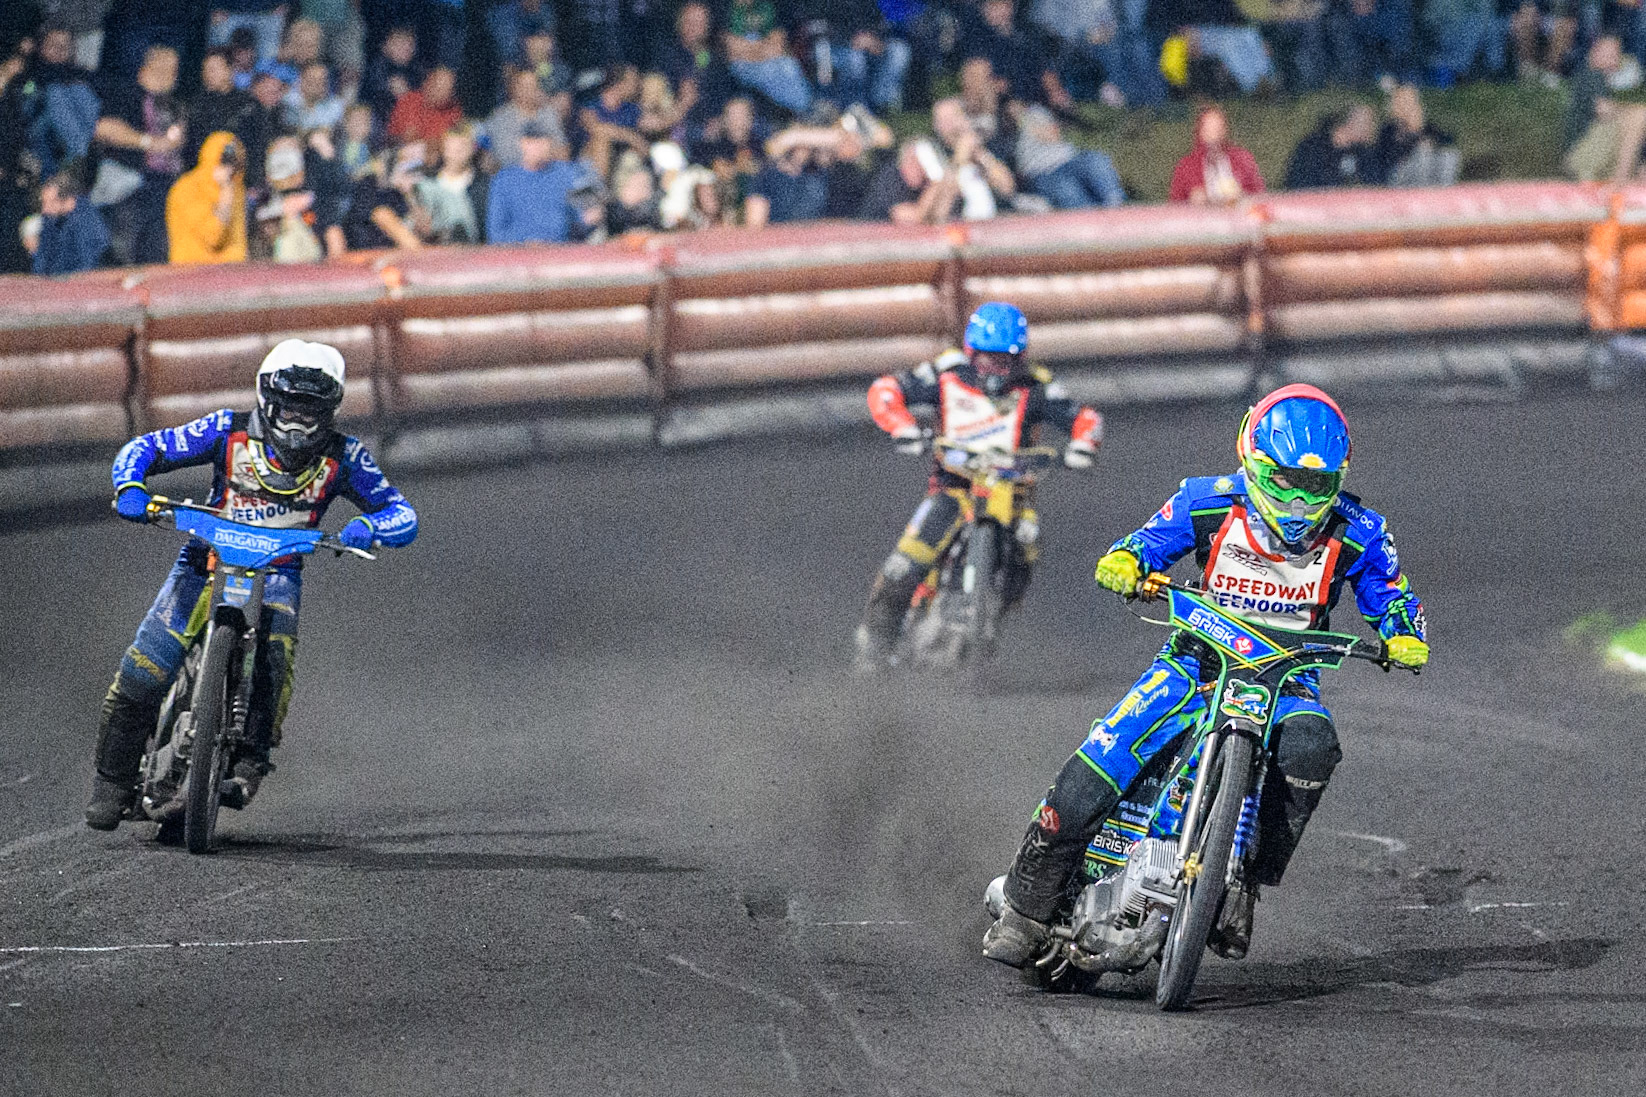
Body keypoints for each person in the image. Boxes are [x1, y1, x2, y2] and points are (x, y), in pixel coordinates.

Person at [981, 384, 1429, 969]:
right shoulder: (1206, 501)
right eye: (1285, 479)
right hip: (1193, 663)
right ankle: (1025, 906)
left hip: (1288, 679)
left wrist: (1403, 633)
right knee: (1095, 769)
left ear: (1339, 478)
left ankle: (1243, 881)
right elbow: (1140, 546)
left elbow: (1391, 594)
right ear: (1253, 461)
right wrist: (1126, 564)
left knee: (1313, 746)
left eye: (1315, 485)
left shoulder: (1363, 531)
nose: (1297, 501)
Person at [84, 340, 419, 831]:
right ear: (267, 399)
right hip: (206, 559)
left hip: (278, 571)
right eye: (289, 408)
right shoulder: (226, 430)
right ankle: (111, 783)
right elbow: (148, 447)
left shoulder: (347, 456)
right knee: (144, 667)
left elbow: (402, 513)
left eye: (312, 411)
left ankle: (250, 760)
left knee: (275, 660)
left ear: (331, 410)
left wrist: (370, 527)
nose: (299, 423)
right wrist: (131, 487)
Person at [855, 302, 1103, 670]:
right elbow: (886, 389)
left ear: (1020, 359)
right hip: (952, 488)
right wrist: (902, 426)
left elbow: (1085, 418)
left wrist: (1083, 445)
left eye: (1006, 361)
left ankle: (989, 620)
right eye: (988, 360)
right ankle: (872, 652)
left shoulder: (1037, 384)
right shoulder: (946, 371)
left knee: (1027, 549)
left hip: (1012, 494)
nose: (996, 370)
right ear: (972, 354)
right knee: (903, 567)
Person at [93, 44, 187, 266]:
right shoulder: (125, 92)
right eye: (167, 67)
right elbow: (104, 128)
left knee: (157, 250)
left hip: (165, 184)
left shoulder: (173, 103)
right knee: (125, 249)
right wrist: (149, 142)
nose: (172, 74)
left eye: (174, 68)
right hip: (130, 183)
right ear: (150, 67)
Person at [486, 118, 588, 243]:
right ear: (521, 143)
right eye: (532, 142)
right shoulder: (504, 180)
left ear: (550, 144)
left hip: (559, 251)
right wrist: (525, 242)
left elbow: (586, 216)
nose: (538, 147)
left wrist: (591, 217)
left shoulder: (567, 173)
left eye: (543, 141)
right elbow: (495, 231)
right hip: (517, 253)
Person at [1564, 34, 1646, 182]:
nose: (1611, 59)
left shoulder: (1614, 85)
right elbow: (1604, 110)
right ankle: (1622, 179)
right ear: (1593, 54)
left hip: (1600, 159)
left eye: (1615, 54)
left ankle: (1630, 174)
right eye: (1606, 53)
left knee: (1637, 118)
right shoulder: (1591, 76)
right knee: (1638, 115)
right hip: (1582, 158)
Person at [1014, 103, 1125, 208]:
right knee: (1065, 187)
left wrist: (1024, 119)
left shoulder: (1034, 112)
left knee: (1096, 160)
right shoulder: (1002, 129)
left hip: (1069, 160)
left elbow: (1053, 135)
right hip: (1041, 173)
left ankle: (1118, 209)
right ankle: (1092, 222)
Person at [166, 131, 248, 264]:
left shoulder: (236, 188)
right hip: (193, 273)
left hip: (231, 273)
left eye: (235, 163)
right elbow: (213, 236)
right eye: (224, 161)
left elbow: (238, 243)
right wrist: (225, 195)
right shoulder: (186, 188)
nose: (230, 169)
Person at [722, 0, 814, 116]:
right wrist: (762, 49)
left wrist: (752, 50)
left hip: (767, 59)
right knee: (769, 70)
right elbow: (732, 49)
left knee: (789, 65)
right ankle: (804, 111)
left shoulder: (768, 5)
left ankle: (805, 108)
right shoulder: (726, 8)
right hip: (740, 66)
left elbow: (779, 43)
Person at [1168, 106, 1264, 204]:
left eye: (1218, 129)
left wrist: (1242, 196)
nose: (1214, 136)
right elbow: (1174, 206)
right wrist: (1190, 202)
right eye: (1208, 130)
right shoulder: (1185, 166)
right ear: (1199, 132)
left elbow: (1260, 196)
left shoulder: (1243, 159)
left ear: (1225, 131)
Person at [1375, 83, 1460, 186]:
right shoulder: (1389, 128)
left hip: (1425, 167)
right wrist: (1413, 136)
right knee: (1423, 151)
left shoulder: (1425, 126)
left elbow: (1448, 140)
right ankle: (1422, 192)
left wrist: (1423, 134)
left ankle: (1445, 191)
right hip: (1397, 175)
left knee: (1448, 154)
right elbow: (1390, 157)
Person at [1283, 104, 1381, 189]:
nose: (1373, 127)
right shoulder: (1313, 147)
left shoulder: (1362, 150)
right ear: (1351, 122)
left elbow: (1374, 183)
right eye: (1369, 122)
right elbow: (1299, 184)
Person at [485, 68, 567, 169]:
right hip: (514, 174)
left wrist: (536, 155)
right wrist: (544, 152)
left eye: (533, 85)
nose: (529, 90)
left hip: (549, 171)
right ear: (513, 88)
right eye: (524, 86)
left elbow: (563, 151)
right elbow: (504, 156)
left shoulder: (548, 112)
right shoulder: (500, 117)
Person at [34, 167, 109, 274]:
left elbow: (84, 267)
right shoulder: (51, 217)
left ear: (68, 200)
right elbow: (43, 256)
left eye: (50, 203)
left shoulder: (86, 225)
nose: (44, 210)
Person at [387, 65, 462, 145]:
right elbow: (389, 139)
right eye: (437, 87)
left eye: (447, 90)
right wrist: (402, 138)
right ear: (426, 83)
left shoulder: (453, 110)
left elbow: (455, 140)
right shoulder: (408, 101)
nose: (441, 94)